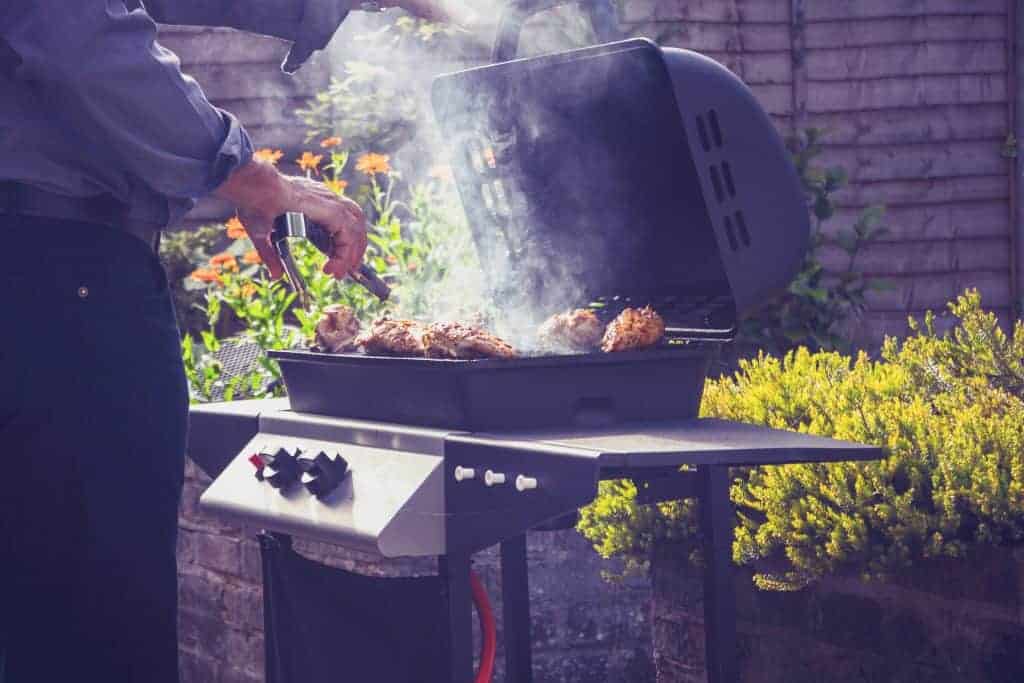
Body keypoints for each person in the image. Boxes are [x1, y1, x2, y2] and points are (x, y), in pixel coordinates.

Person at [0, 1, 450, 681]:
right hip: (66, 285)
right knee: (102, 625)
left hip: (46, 273)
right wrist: (246, 172)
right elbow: (80, 35)